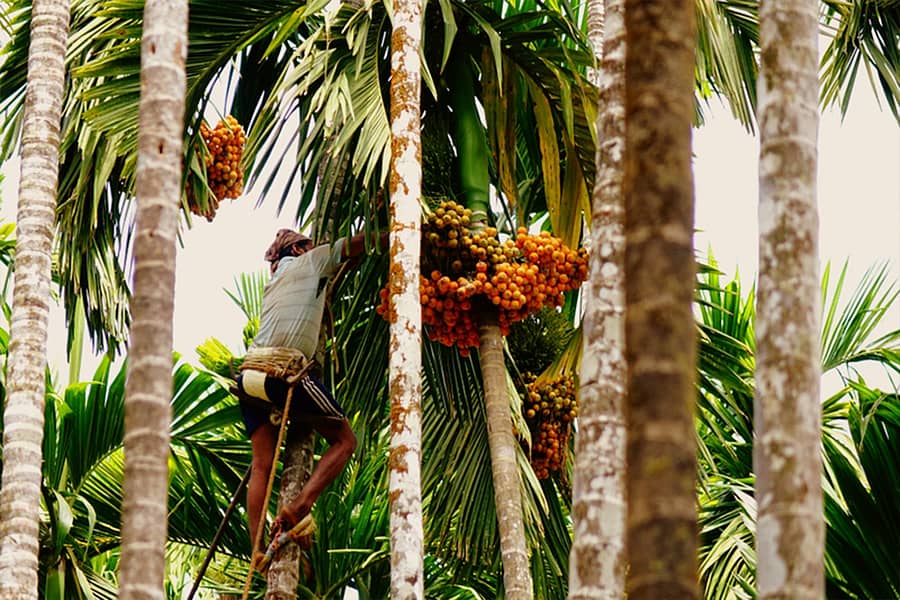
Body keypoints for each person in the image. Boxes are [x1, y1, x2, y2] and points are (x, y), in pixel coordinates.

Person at [232, 228, 383, 561]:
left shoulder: (276, 281)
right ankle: (299, 507)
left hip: (249, 377)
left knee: (261, 465)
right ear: (300, 248)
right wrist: (400, 229)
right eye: (311, 245)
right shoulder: (313, 260)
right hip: (285, 374)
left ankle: (256, 550)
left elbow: (345, 264)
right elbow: (358, 243)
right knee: (346, 442)